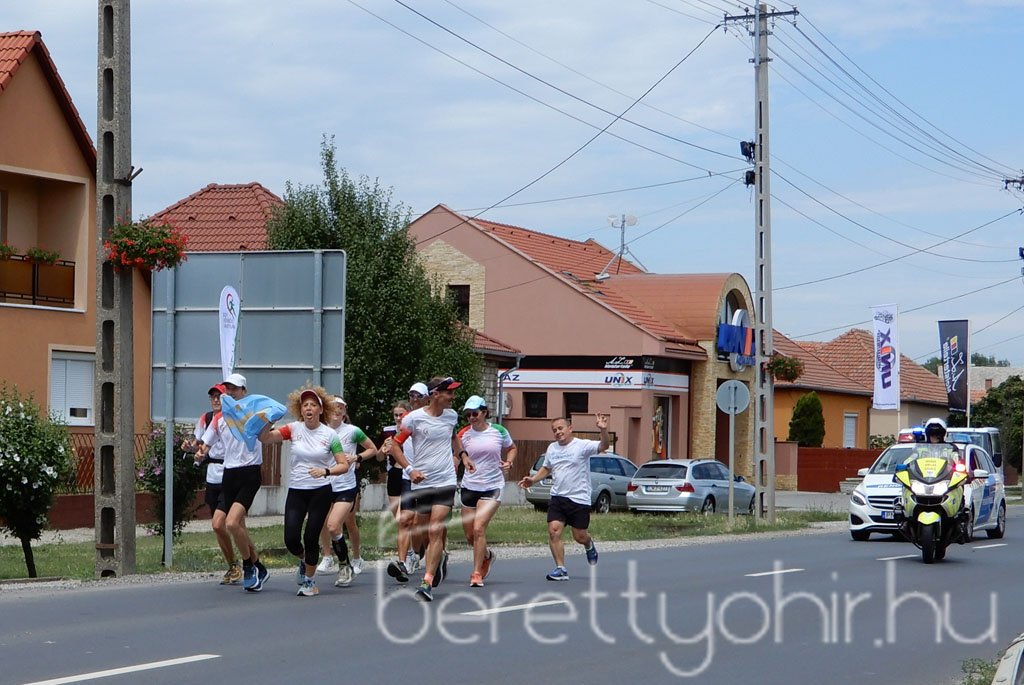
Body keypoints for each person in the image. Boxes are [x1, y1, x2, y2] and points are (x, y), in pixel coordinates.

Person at [258, 385, 348, 597]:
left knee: (310, 536)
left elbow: (343, 464)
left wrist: (325, 471)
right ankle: (304, 559)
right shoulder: (294, 429)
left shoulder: (329, 435)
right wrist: (269, 421)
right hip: (297, 490)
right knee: (290, 538)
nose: (308, 408)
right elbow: (265, 438)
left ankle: (309, 581)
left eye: (313, 405)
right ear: (301, 410)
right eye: (305, 405)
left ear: (320, 409)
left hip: (320, 491)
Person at [387, 376, 465, 602]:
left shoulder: (452, 416)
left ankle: (427, 581)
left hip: (446, 480)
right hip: (421, 482)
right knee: (421, 533)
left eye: (453, 392)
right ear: (435, 395)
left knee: (435, 529)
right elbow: (395, 446)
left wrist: (462, 455)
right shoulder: (413, 419)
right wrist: (410, 469)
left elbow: (453, 438)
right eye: (449, 393)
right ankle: (438, 560)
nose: (452, 397)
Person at [196, 373, 270, 592]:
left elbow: (272, 418)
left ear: (244, 392)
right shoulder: (219, 418)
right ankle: (258, 566)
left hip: (250, 473)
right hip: (229, 473)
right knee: (220, 522)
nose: (230, 393)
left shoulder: (254, 413)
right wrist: (200, 452)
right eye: (227, 389)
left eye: (235, 389)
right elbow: (206, 444)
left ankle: (248, 567)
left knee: (232, 523)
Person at [518, 414, 610, 581]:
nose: (558, 432)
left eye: (560, 428)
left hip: (579, 498)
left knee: (579, 536)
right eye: (554, 430)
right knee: (554, 532)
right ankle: (560, 568)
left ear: (570, 428)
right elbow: (546, 468)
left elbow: (604, 445)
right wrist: (533, 480)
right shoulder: (552, 448)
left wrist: (603, 430)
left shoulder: (582, 446)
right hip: (558, 497)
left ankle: (589, 545)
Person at [181, 383, 240, 585]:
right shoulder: (206, 419)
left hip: (232, 475)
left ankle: (249, 564)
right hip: (213, 476)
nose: (216, 400)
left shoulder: (233, 418)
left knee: (229, 524)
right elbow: (199, 444)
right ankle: (233, 565)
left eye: (220, 396)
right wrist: (190, 447)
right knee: (219, 526)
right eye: (213, 396)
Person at [316, 397, 377, 587]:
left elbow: (372, 449)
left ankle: (355, 558)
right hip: (325, 485)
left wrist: (356, 457)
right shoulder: (320, 430)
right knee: (325, 524)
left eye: (340, 407)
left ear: (345, 411)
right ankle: (329, 557)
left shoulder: (352, 431)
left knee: (341, 524)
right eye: (334, 407)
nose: (337, 410)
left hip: (345, 484)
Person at [456, 395, 516, 587]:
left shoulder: (498, 431)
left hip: (492, 486)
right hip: (469, 485)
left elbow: (512, 448)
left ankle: (476, 573)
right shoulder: (463, 434)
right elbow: (457, 453)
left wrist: (509, 462)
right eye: (468, 415)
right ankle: (487, 555)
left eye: (475, 413)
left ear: (484, 412)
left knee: (478, 528)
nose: (472, 418)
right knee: (469, 536)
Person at [378, 400, 414, 582]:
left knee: (407, 520)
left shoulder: (414, 428)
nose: (399, 418)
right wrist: (383, 450)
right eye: (396, 415)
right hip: (394, 474)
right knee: (399, 518)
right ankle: (409, 554)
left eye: (402, 414)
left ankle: (407, 556)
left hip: (410, 475)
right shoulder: (388, 431)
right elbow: (378, 456)